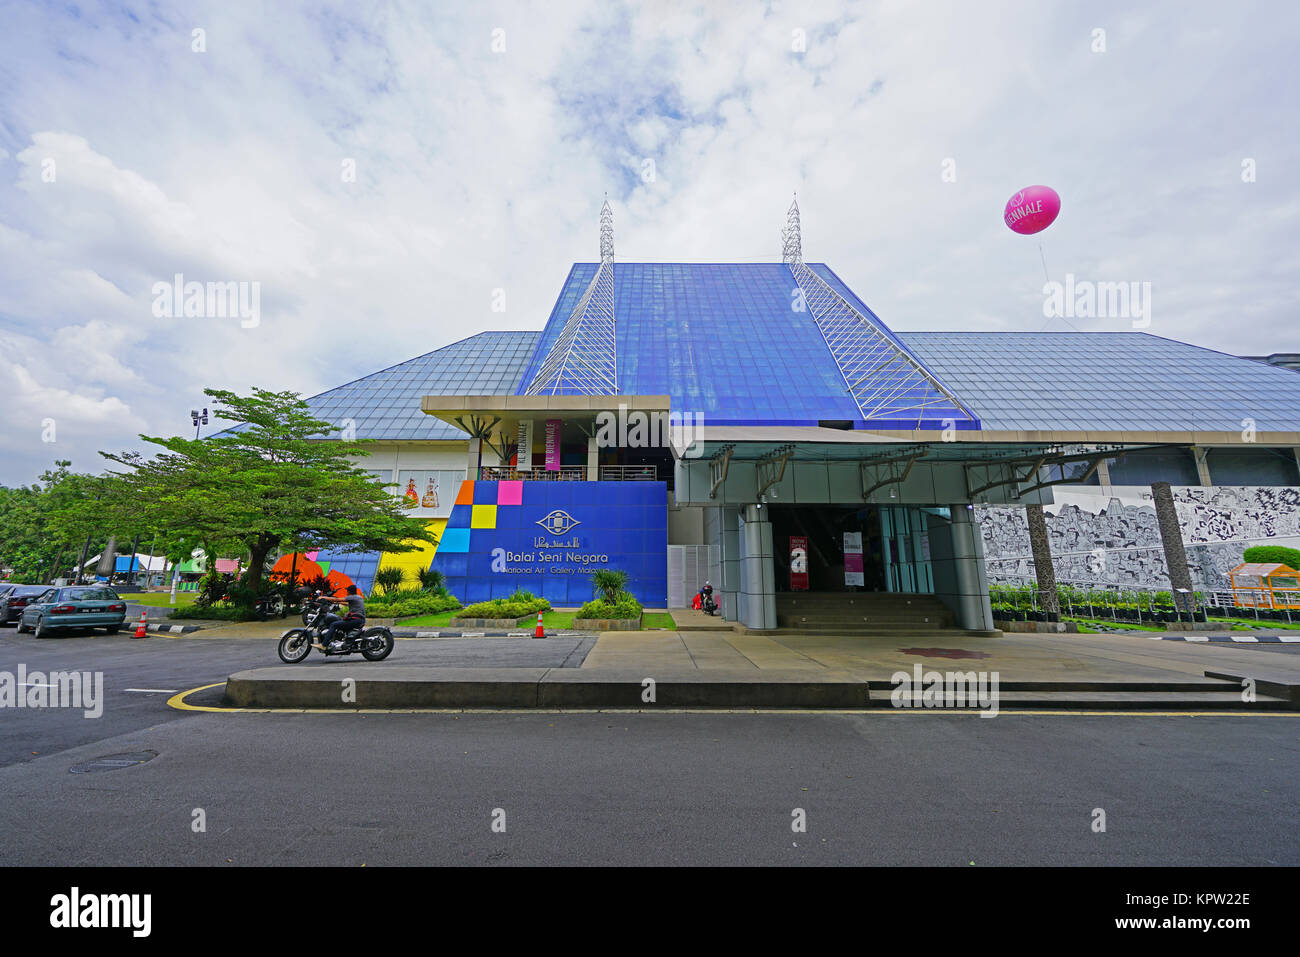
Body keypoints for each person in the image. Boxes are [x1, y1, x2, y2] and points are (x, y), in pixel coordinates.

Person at [320, 585, 366, 650]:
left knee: (333, 624)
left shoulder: (351, 597)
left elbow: (337, 599)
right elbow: (348, 604)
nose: (346, 592)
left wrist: (323, 597)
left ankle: (323, 645)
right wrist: (336, 602)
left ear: (349, 591)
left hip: (356, 620)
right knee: (340, 622)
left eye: (347, 591)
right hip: (360, 620)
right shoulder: (358, 597)